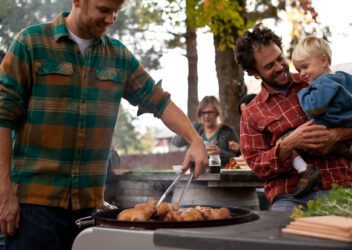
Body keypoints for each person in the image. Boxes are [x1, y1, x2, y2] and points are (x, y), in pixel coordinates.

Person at [0, 0, 208, 249]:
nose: (111, 19)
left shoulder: (118, 56)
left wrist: (195, 140)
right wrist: (4, 191)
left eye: (116, 12)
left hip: (89, 208)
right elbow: (3, 117)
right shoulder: (30, 43)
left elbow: (159, 102)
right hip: (32, 206)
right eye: (104, 10)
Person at [234, 23, 352, 212]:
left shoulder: (316, 80)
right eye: (269, 66)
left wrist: (336, 135)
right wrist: (287, 145)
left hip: (339, 186)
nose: (279, 67)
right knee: (285, 236)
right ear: (254, 73)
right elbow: (257, 165)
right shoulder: (252, 113)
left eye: (279, 58)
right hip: (291, 197)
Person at [288, 36, 352, 197]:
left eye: (305, 67)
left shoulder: (324, 83)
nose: (301, 74)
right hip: (344, 128)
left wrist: (303, 94)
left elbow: (315, 107)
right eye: (298, 70)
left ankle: (305, 170)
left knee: (287, 142)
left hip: (323, 129)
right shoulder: (345, 77)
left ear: (323, 61)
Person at [172, 96, 239, 167]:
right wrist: (189, 130)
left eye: (210, 112)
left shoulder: (228, 131)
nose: (206, 116)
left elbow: (237, 160)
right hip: (197, 176)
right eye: (203, 113)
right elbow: (175, 142)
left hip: (220, 176)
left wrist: (220, 153)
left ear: (217, 112)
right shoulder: (196, 128)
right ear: (199, 114)